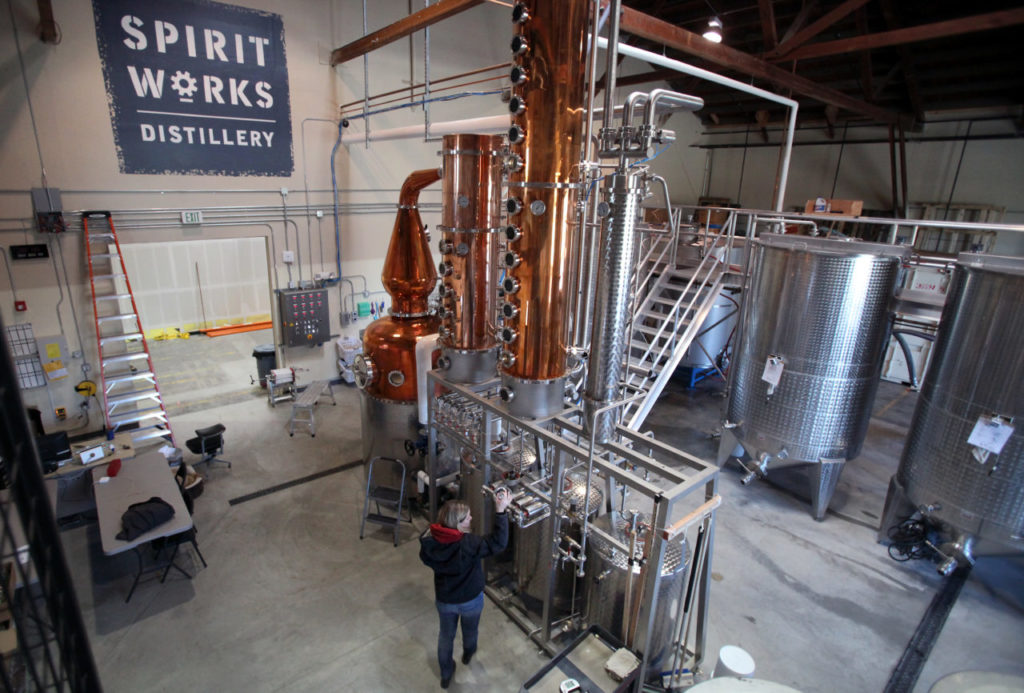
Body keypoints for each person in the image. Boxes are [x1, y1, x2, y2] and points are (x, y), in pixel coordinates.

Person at [419, 488, 511, 689]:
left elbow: (425, 555)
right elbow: (498, 542)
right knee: (470, 630)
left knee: (446, 636)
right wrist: (501, 511)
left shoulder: (429, 541)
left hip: (445, 600)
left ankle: (445, 673)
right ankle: (468, 652)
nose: (472, 518)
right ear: (458, 524)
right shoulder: (468, 544)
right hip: (471, 600)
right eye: (467, 517)